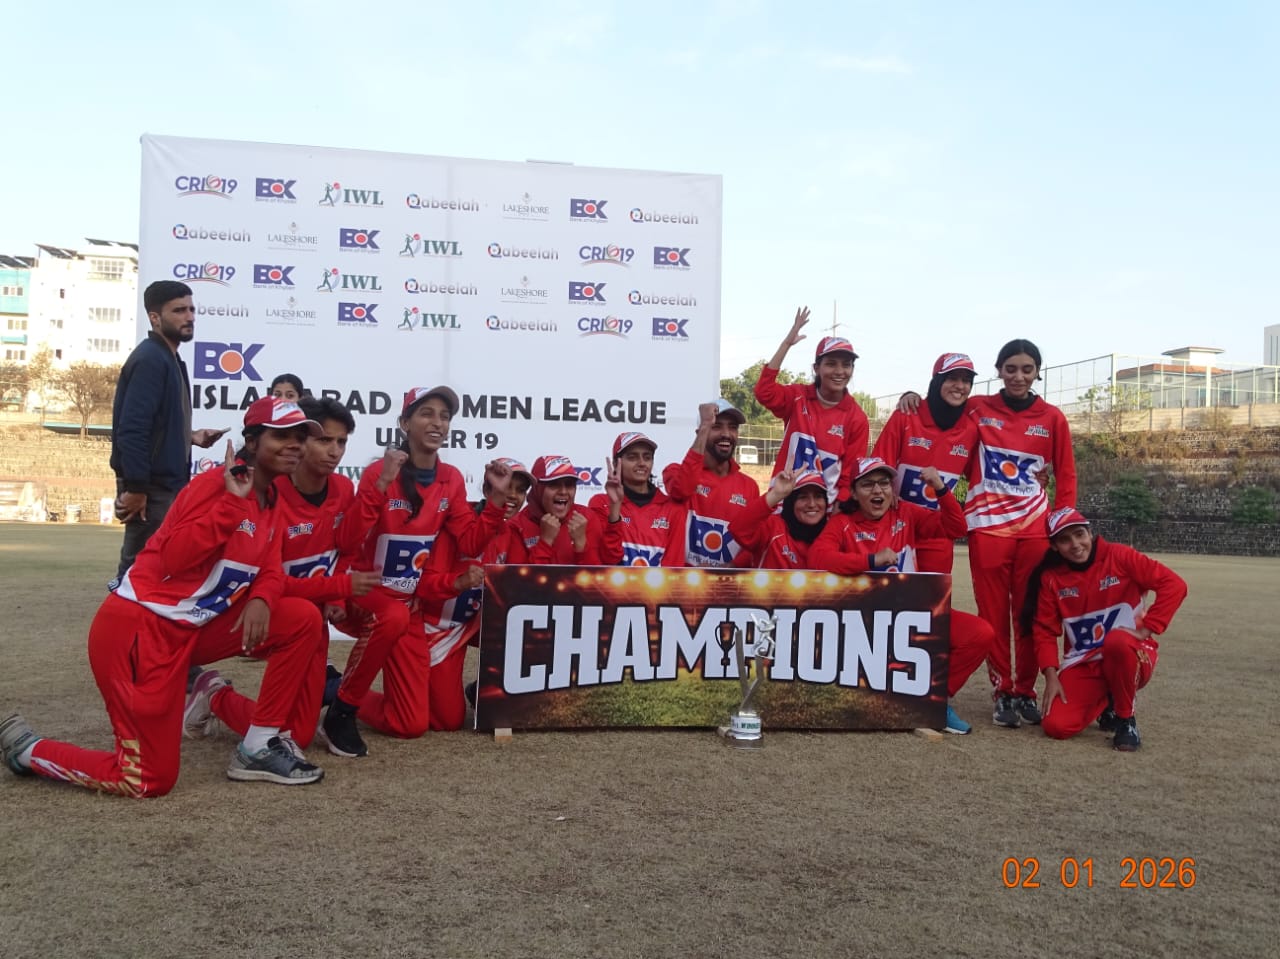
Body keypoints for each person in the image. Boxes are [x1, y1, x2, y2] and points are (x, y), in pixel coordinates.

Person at [0, 398, 333, 795]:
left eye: (300, 437)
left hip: (190, 632)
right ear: (251, 440)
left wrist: (262, 598)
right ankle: (29, 751)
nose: (295, 445)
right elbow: (173, 560)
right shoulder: (214, 486)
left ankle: (257, 747)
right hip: (139, 632)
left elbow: (272, 568)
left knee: (300, 618)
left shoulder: (273, 497)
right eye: (282, 436)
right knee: (147, 779)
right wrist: (231, 504)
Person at [319, 386, 513, 756]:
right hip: (365, 595)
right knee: (390, 614)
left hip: (407, 609)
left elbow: (469, 542)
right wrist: (380, 483)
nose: (437, 423)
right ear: (405, 423)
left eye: (444, 416)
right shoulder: (379, 472)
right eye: (427, 413)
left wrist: (497, 500)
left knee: (415, 724)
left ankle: (329, 688)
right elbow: (348, 540)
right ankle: (341, 709)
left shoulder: (451, 478)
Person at [182, 397, 381, 736]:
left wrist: (335, 596)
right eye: (324, 440)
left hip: (309, 619)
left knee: (298, 734)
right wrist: (340, 587)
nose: (334, 451)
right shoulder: (265, 491)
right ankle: (213, 694)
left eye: (341, 442)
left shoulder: (343, 488)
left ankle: (215, 696)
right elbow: (268, 577)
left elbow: (344, 550)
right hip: (262, 612)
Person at [809, 457, 994, 734]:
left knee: (980, 634)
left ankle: (934, 699)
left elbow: (956, 529)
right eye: (868, 485)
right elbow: (817, 558)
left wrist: (941, 488)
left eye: (884, 483)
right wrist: (871, 561)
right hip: (865, 625)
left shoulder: (906, 513)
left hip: (912, 614)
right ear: (854, 493)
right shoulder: (842, 523)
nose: (877, 490)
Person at [1022, 508, 1187, 751]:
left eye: (1080, 534)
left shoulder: (1119, 556)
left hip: (1130, 653)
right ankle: (1107, 699)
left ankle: (1126, 719)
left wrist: (1146, 629)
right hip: (1085, 661)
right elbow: (1044, 630)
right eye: (1065, 540)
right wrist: (1051, 675)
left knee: (1117, 641)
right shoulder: (1052, 579)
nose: (1075, 545)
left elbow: (1174, 585)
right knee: (1056, 726)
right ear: (1055, 547)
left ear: (1090, 533)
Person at [110, 280, 227, 582]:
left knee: (159, 569)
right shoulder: (151, 358)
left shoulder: (169, 358)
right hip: (151, 488)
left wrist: (191, 436)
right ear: (155, 317)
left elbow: (156, 424)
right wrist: (137, 488)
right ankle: (119, 614)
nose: (189, 317)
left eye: (191, 309)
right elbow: (132, 429)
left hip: (164, 485)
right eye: (179, 310)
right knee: (138, 571)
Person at [873, 352, 980, 573]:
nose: (960, 386)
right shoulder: (906, 414)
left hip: (937, 533)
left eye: (966, 380)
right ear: (937, 381)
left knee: (933, 593)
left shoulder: (971, 429)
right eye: (952, 378)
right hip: (895, 527)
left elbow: (981, 473)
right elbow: (877, 465)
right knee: (887, 591)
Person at [754, 306, 870, 502]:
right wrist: (786, 344)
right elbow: (764, 392)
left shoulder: (857, 418)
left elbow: (849, 476)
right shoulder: (798, 397)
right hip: (783, 503)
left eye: (846, 365)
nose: (839, 371)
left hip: (821, 511)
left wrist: (838, 511)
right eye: (831, 364)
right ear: (816, 368)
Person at [663, 400, 761, 568]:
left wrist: (731, 567)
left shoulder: (749, 486)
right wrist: (705, 426)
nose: (726, 434)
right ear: (700, 432)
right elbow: (681, 490)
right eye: (716, 427)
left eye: (733, 427)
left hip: (728, 582)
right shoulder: (675, 471)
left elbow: (753, 540)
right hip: (682, 581)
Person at [592, 432, 687, 567]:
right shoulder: (601, 503)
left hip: (659, 582)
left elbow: (673, 569)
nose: (642, 463)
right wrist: (615, 511)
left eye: (647, 457)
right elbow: (608, 561)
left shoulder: (673, 510)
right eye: (632, 457)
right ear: (616, 463)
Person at [489, 455, 604, 565]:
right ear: (538, 489)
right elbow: (520, 578)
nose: (563, 491)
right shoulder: (517, 525)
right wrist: (545, 542)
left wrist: (581, 546)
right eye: (554, 485)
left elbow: (598, 576)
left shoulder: (586, 518)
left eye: (569, 485)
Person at [729, 469, 829, 569]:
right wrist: (776, 494)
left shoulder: (832, 532)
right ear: (791, 502)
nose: (812, 504)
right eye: (803, 497)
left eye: (818, 496)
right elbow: (739, 529)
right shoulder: (773, 527)